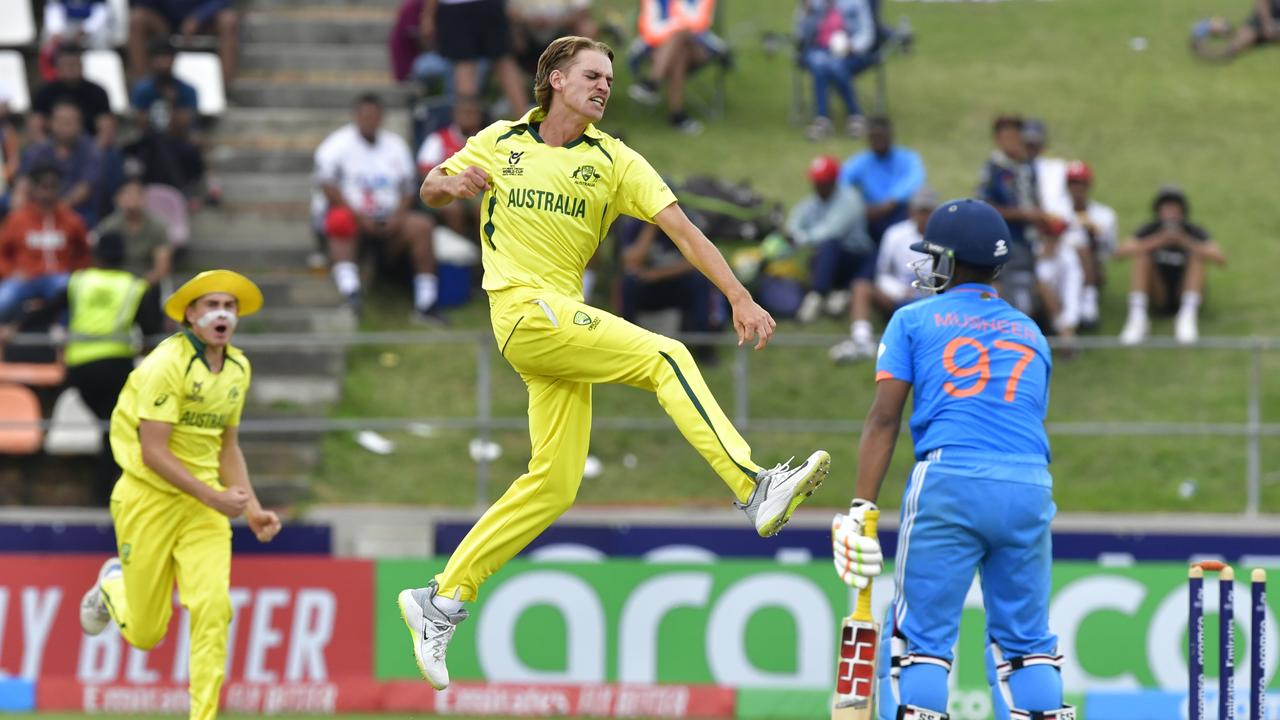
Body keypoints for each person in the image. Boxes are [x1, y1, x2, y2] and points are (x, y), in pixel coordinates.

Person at [400, 35, 830, 690]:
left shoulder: (616, 160)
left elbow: (683, 230)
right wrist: (452, 182)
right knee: (666, 354)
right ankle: (753, 484)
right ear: (555, 81)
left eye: (609, 77)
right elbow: (431, 184)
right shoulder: (501, 139)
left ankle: (441, 599)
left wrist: (739, 295)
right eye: (592, 75)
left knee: (556, 482)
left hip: (557, 325)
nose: (605, 85)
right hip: (522, 311)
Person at [830, 198, 1072, 720]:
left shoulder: (912, 319)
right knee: (1027, 645)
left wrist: (860, 509)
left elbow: (883, 419)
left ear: (947, 260)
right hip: (1030, 484)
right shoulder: (1032, 333)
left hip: (950, 478)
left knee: (919, 641)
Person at [77, 269, 281, 720]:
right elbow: (153, 453)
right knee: (147, 633)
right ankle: (113, 583)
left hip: (203, 510)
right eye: (211, 305)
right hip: (146, 499)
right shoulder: (164, 364)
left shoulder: (238, 368)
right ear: (190, 315)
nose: (222, 313)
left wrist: (252, 508)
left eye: (229, 305)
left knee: (214, 607)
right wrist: (215, 497)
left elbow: (227, 447)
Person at [0, 232, 163, 504]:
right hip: (115, 367)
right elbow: (149, 330)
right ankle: (104, 498)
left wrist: (15, 327)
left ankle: (40, 475)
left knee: (67, 420)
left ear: (96, 255)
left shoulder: (80, 281)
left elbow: (47, 309)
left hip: (78, 368)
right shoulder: (135, 286)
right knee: (113, 431)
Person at [314, 93, 442, 321]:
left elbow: (408, 189)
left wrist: (398, 216)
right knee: (339, 220)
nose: (369, 120)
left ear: (382, 117)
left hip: (390, 217)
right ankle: (351, 294)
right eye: (364, 116)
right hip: (354, 216)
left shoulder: (395, 145)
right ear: (355, 116)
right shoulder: (335, 145)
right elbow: (328, 187)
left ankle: (426, 304)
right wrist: (360, 216)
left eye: (374, 116)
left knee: (421, 226)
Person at [827, 185, 934, 364]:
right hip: (898, 296)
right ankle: (862, 339)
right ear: (911, 211)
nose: (923, 216)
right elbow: (882, 272)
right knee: (861, 287)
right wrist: (898, 290)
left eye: (927, 211)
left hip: (929, 301)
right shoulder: (895, 234)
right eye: (920, 210)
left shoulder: (944, 237)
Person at [1115, 185, 1225, 345]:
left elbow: (1220, 258)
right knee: (1142, 256)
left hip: (1184, 291)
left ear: (1182, 210)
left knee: (1198, 256)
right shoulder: (1151, 229)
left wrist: (1185, 241)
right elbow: (1120, 253)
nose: (1170, 212)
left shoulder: (1192, 231)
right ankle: (1137, 318)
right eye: (1166, 208)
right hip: (1159, 292)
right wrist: (1158, 241)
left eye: (1174, 208)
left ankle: (1187, 318)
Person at [616, 216, 717, 361]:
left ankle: (703, 347)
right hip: (647, 286)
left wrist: (659, 274)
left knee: (700, 281)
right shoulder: (635, 225)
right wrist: (651, 227)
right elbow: (631, 261)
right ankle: (626, 345)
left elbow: (698, 261)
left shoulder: (686, 221)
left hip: (675, 284)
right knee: (628, 282)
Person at [0, 164, 92, 322]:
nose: (48, 192)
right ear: (34, 189)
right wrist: (10, 273)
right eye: (44, 187)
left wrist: (76, 274)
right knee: (4, 300)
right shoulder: (17, 219)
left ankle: (65, 341)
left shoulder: (72, 220)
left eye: (53, 187)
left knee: (75, 295)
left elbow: (84, 252)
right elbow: (1, 253)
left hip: (59, 279)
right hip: (24, 279)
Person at [788, 154, 872, 326]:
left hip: (857, 257)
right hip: (832, 258)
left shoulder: (850, 200)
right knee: (823, 250)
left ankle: (818, 295)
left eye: (822, 182)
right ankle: (831, 294)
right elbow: (795, 220)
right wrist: (794, 233)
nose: (818, 186)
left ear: (834, 181)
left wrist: (799, 238)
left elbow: (830, 232)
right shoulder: (814, 201)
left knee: (829, 244)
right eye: (816, 181)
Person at [976, 114, 1043, 316]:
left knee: (1025, 294)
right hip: (1001, 241)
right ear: (998, 139)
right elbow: (984, 206)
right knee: (1003, 293)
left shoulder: (1027, 168)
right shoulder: (993, 168)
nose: (1012, 142)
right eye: (1007, 137)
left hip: (1027, 242)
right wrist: (1024, 214)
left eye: (1015, 136)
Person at [126, 39, 207, 199]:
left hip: (177, 142)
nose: (163, 63)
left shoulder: (187, 90)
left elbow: (183, 126)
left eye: (166, 58)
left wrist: (171, 103)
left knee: (181, 149)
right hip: (149, 143)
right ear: (151, 61)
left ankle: (181, 192)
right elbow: (142, 125)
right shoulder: (142, 90)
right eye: (159, 58)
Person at [424, 0, 529, 117]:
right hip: (488, 6)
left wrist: (428, 14)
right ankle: (526, 120)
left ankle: (469, 125)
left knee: (465, 67)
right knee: (504, 64)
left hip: (457, 8)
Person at [627, 0, 719, 134]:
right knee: (679, 54)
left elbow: (698, 23)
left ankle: (652, 82)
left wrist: (675, 27)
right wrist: (676, 29)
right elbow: (650, 28)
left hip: (698, 47)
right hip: (661, 46)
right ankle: (676, 115)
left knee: (681, 34)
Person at [795, 0, 877, 141]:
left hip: (850, 53)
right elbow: (801, 36)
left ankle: (824, 120)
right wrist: (806, 14)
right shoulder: (812, 3)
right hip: (817, 50)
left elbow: (867, 34)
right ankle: (853, 117)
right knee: (821, 63)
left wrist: (851, 46)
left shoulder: (856, 3)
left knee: (834, 65)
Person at [838, 115, 926, 243]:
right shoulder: (861, 161)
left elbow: (916, 180)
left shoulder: (908, 158)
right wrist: (858, 205)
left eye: (881, 137)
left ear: (890, 135)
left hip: (898, 211)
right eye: (874, 137)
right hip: (871, 214)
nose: (877, 141)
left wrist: (891, 202)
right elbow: (841, 182)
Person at [19, 101, 105, 225]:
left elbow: (85, 188)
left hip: (79, 213)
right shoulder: (37, 151)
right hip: (38, 210)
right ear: (51, 123)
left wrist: (56, 211)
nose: (65, 125)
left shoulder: (91, 151)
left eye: (70, 121)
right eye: (60, 120)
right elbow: (23, 182)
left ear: (80, 124)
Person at [417, 96, 485, 239]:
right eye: (465, 113)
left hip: (478, 190)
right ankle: (461, 250)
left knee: (483, 207)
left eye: (473, 113)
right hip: (447, 188)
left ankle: (483, 252)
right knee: (453, 210)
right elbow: (424, 170)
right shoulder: (439, 138)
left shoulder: (486, 139)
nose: (469, 117)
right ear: (456, 115)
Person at [1059, 161, 1117, 329]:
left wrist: (1095, 235)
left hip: (1092, 264)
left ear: (1088, 185)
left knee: (1082, 246)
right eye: (1072, 183)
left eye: (1081, 183)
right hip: (1061, 262)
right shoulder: (1055, 211)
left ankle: (1088, 300)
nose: (1077, 188)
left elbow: (1109, 250)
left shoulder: (1105, 215)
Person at [128, 0, 240, 84]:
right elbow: (140, 3)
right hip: (163, 20)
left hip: (203, 20)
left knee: (228, 20)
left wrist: (199, 17)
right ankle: (143, 90)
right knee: (136, 19)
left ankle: (224, 88)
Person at [94, 175, 176, 285]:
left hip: (146, 284)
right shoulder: (109, 227)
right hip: (116, 284)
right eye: (127, 194)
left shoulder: (158, 226)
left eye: (138, 194)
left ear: (144, 198)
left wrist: (138, 287)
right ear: (118, 199)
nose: (132, 199)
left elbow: (162, 268)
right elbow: (101, 266)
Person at [30, 44, 116, 149]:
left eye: (74, 64)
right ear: (57, 67)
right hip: (52, 149)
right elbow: (36, 128)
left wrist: (92, 154)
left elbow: (106, 131)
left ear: (82, 65)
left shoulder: (97, 92)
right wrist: (49, 153)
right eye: (66, 65)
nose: (70, 69)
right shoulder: (44, 92)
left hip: (90, 148)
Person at [508, 0, 599, 74]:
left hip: (563, 31)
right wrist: (530, 22)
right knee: (508, 33)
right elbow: (509, 11)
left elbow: (582, 11)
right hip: (526, 33)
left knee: (587, 29)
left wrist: (555, 23)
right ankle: (515, 87)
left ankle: (584, 77)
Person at [1192, 0, 1280, 60]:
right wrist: (1267, 23)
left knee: (1235, 44)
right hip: (1267, 16)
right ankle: (1210, 27)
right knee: (1232, 48)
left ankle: (1217, 27)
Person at [1021, 118, 1070, 220]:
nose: (1031, 148)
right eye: (1028, 143)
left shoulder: (1057, 168)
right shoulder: (1010, 169)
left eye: (1035, 144)